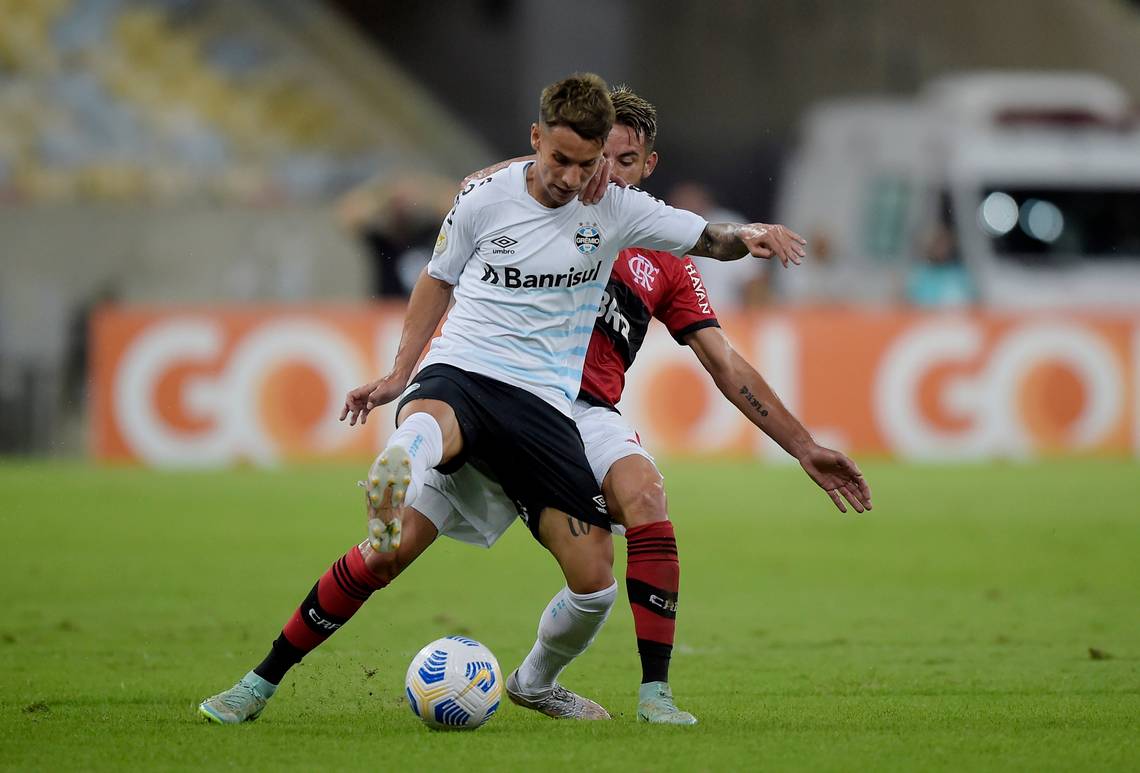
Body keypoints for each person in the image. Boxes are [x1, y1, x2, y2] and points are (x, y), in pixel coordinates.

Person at [198, 72, 808, 725]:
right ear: (535, 139)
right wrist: (402, 370)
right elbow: (436, 281)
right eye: (559, 160)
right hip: (464, 368)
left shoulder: (619, 210)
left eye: (587, 163)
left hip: (542, 408)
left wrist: (750, 235)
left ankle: (537, 679)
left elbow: (707, 238)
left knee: (596, 577)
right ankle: (260, 680)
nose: (572, 179)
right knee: (393, 526)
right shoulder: (484, 198)